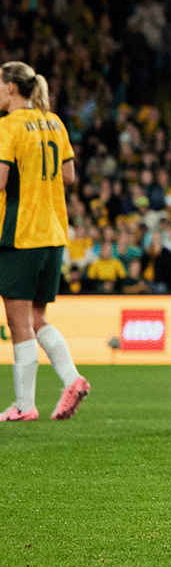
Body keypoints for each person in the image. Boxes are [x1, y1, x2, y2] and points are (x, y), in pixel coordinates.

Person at [0, 62, 88, 421]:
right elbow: (68, 174)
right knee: (37, 317)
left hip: (22, 233)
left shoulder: (9, 126)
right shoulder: (55, 122)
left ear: (9, 88)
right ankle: (72, 380)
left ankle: (24, 405)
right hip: (53, 232)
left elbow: (1, 181)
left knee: (18, 322)